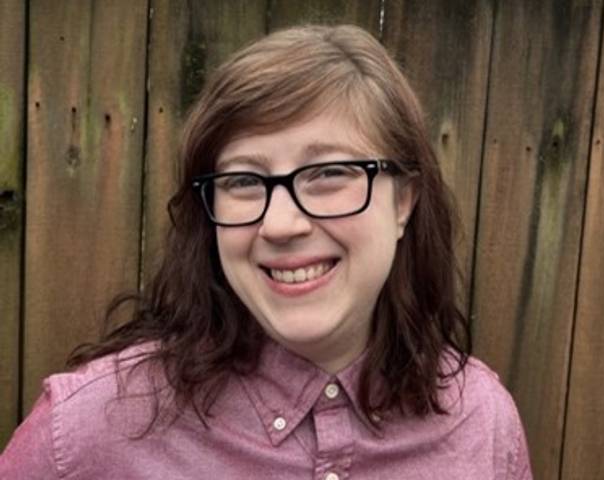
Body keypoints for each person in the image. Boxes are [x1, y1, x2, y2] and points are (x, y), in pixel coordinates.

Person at [0, 25, 532, 479]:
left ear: (404, 201)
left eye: (329, 173)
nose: (280, 224)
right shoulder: (88, 432)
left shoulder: (483, 427)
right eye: (244, 181)